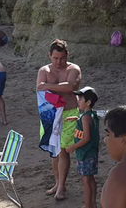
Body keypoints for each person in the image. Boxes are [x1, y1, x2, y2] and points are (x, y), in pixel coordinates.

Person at [37, 39, 82, 200]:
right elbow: (39, 86)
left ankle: (62, 186)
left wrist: (48, 86)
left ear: (67, 55)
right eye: (55, 58)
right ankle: (57, 182)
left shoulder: (73, 69)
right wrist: (58, 87)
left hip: (69, 112)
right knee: (53, 151)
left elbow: (70, 87)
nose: (58, 61)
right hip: (50, 114)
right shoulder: (44, 70)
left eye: (62, 58)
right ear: (50, 55)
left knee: (63, 150)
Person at [66, 87, 100, 208]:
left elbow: (86, 138)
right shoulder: (90, 115)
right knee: (90, 179)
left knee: (85, 181)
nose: (78, 101)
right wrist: (76, 119)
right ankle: (93, 204)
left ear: (88, 102)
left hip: (85, 153)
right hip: (90, 153)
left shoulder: (86, 117)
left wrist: (73, 147)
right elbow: (87, 125)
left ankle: (87, 206)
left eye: (81, 99)